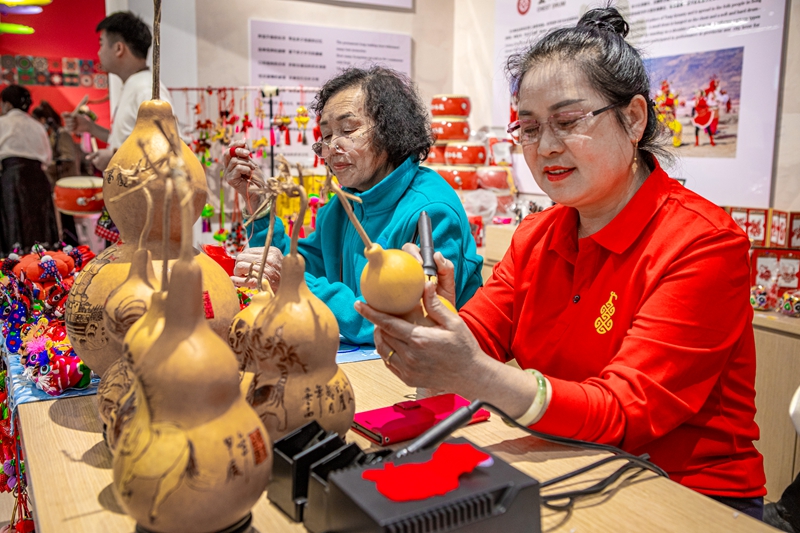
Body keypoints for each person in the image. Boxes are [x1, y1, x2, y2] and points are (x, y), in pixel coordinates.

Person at [355, 7, 766, 519]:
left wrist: (473, 373)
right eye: (528, 127)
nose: (545, 146)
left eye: (568, 121)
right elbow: (476, 339)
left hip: (686, 496)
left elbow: (624, 411)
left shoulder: (703, 245)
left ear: (634, 118)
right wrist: (425, 329)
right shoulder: (538, 235)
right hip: (565, 462)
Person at [223, 66, 483, 345]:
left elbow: (400, 322)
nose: (333, 146)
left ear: (390, 130)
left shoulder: (431, 212)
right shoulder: (343, 204)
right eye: (325, 136)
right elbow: (299, 265)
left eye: (348, 129)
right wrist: (260, 205)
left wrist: (292, 281)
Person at [63, 11, 172, 171]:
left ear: (119, 48)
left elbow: (165, 151)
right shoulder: (133, 85)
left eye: (101, 44)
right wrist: (90, 127)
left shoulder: (145, 89)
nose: (99, 52)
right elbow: (127, 141)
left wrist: (115, 158)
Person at [0, 85, 59, 254]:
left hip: (12, 177)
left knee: (16, 223)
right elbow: (47, 157)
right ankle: (44, 261)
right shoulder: (37, 126)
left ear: (7, 104)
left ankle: (14, 266)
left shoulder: (2, 123)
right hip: (38, 177)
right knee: (38, 223)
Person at [31, 101, 82, 246]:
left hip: (66, 185)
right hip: (57, 186)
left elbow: (68, 158)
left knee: (66, 221)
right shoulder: (53, 135)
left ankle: (71, 246)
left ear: (43, 119)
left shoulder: (62, 134)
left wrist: (46, 167)